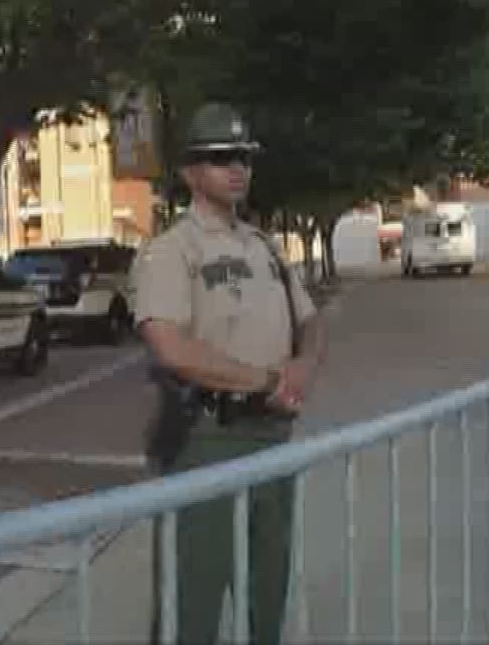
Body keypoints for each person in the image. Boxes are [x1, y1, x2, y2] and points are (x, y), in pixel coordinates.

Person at [133, 104, 328, 645]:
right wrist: (266, 380)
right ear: (191, 173)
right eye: (221, 158)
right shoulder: (172, 251)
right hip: (207, 439)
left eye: (244, 157)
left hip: (272, 437)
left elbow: (311, 321)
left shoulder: (265, 247)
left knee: (267, 592)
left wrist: (304, 365)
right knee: (190, 601)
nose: (237, 168)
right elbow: (169, 345)